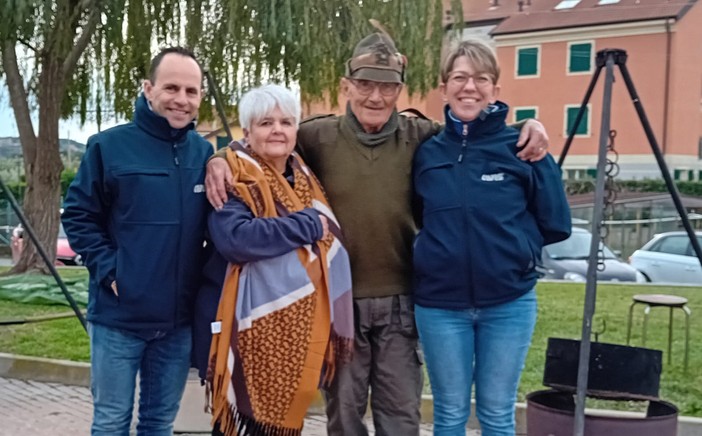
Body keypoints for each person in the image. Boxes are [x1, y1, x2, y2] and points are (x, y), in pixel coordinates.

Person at [205, 33, 550, 436]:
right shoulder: (319, 137)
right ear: (346, 87)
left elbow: (474, 133)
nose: (375, 96)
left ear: (399, 90)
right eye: (365, 84)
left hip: (402, 305)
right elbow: (265, 145)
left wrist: (532, 126)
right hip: (341, 305)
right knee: (344, 417)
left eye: (387, 86)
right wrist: (219, 158)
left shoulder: (422, 137)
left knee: (401, 417)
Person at [412, 39, 571, 436]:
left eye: (481, 79)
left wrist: (516, 249)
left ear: (495, 90)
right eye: (460, 77)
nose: (470, 87)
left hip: (509, 304)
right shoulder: (426, 152)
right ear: (444, 86)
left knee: (497, 415)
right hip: (439, 306)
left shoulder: (523, 147)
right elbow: (416, 214)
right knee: (448, 415)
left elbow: (556, 222)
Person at [61, 47, 213, 436]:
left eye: (191, 91)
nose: (182, 99)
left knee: (158, 424)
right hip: (118, 319)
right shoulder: (108, 147)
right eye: (172, 87)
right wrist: (112, 271)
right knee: (111, 423)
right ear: (149, 89)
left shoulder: (203, 153)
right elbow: (78, 216)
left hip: (177, 324)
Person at [201, 84, 354, 436]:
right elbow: (237, 239)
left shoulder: (304, 175)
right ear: (248, 131)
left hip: (300, 332)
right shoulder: (233, 176)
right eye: (265, 122)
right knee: (243, 427)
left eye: (286, 122)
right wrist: (307, 224)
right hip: (250, 328)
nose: (277, 130)